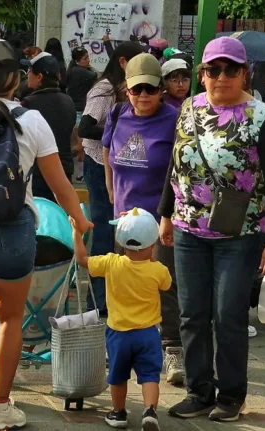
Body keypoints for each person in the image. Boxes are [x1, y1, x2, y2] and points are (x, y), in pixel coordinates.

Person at [0, 39, 92, 431]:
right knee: (9, 321)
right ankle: (1, 408)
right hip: (13, 230)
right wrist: (79, 220)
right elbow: (60, 185)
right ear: (15, 78)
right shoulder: (33, 120)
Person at [158, 37, 265, 421]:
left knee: (228, 314)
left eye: (231, 69)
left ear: (245, 73)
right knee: (191, 314)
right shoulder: (189, 108)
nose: (221, 77)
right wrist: (165, 213)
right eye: (213, 70)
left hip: (240, 233)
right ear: (202, 74)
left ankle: (231, 395)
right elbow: (175, 164)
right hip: (188, 229)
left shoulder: (262, 117)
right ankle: (199, 391)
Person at [101, 53, 185, 386]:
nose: (144, 96)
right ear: (127, 89)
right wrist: (111, 190)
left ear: (161, 89)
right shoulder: (117, 114)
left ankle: (172, 347)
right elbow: (106, 151)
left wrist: (169, 214)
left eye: (151, 89)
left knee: (164, 283)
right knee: (122, 282)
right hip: (124, 218)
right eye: (137, 89)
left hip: (161, 219)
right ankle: (123, 345)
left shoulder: (174, 119)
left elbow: (181, 169)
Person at [72, 208, 169, 430]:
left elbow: (82, 259)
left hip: (119, 334)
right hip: (148, 333)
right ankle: (150, 410)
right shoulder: (158, 270)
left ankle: (118, 413)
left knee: (118, 375)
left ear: (121, 241)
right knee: (150, 375)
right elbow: (166, 285)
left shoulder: (111, 263)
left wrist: (76, 233)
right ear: (153, 244)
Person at [77, 41, 145, 313]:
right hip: (97, 165)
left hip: (118, 168)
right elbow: (84, 127)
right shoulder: (104, 89)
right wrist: (118, 133)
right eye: (137, 62)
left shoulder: (127, 89)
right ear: (123, 62)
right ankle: (97, 301)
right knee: (104, 233)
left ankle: (115, 296)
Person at [21, 52, 76, 201]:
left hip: (38, 174)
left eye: (30, 71)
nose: (27, 75)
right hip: (64, 171)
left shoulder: (28, 104)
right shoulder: (68, 101)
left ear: (39, 77)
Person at [66, 47, 97, 121]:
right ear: (77, 61)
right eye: (85, 59)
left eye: (88, 57)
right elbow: (96, 75)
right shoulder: (81, 71)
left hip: (74, 108)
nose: (88, 60)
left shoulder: (72, 69)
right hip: (80, 111)